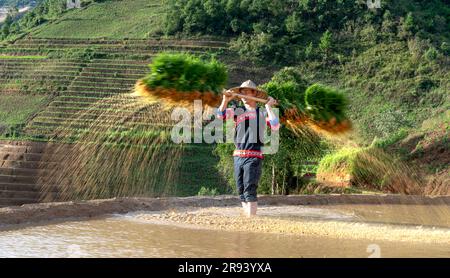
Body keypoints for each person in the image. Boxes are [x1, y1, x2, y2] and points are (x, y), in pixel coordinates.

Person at [217, 80, 279, 217]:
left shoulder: (262, 113)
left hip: (253, 157)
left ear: (254, 94)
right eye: (242, 93)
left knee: (249, 190)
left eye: (247, 92)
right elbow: (219, 116)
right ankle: (247, 218)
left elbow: (275, 125)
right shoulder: (237, 111)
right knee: (241, 191)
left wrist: (269, 107)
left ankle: (252, 222)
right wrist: (225, 100)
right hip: (238, 156)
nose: (244, 96)